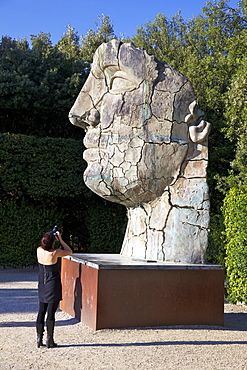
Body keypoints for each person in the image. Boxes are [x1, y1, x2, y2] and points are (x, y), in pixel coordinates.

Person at [36, 230, 72, 348]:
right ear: (52, 243)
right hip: (53, 286)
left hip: (42, 284)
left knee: (41, 311)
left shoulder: (39, 250)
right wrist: (60, 239)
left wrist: (50, 236)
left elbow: (44, 245)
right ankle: (49, 340)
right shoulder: (54, 253)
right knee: (50, 314)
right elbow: (69, 251)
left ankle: (39, 338)